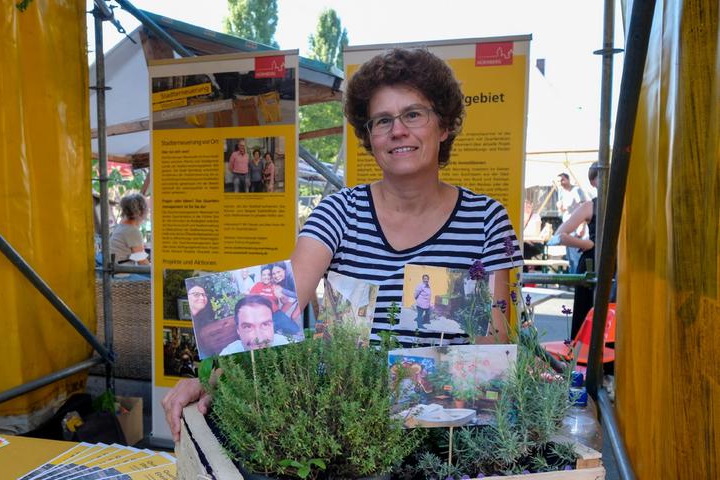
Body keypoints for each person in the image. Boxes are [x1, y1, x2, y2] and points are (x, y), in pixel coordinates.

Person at [162, 48, 522, 440]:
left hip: (447, 434)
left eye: (413, 114)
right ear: (369, 136)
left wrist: (412, 391)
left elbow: (494, 341)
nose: (397, 130)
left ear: (445, 125)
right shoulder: (339, 212)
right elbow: (281, 304)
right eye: (382, 120)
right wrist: (211, 377)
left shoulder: (486, 219)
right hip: (349, 433)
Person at [551, 163, 599, 339]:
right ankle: (582, 363)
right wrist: (588, 244)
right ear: (594, 182)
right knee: (587, 317)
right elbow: (558, 236)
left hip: (622, 264)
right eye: (600, 175)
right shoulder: (590, 206)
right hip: (592, 263)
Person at [219, 295, 290, 355]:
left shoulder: (287, 344)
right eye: (248, 327)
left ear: (272, 326)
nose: (259, 339)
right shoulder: (228, 353)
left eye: (265, 325)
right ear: (238, 330)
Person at [555, 172, 588, 272]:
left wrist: (582, 226)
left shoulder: (577, 190)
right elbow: (564, 209)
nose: (561, 183)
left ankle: (578, 281)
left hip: (576, 227)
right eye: (559, 181)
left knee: (576, 256)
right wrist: (560, 207)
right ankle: (573, 281)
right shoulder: (561, 192)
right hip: (567, 227)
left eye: (562, 180)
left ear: (568, 179)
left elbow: (584, 208)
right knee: (570, 258)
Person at [109, 193, 149, 264]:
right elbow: (142, 262)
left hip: (115, 269)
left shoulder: (121, 226)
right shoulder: (132, 231)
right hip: (123, 273)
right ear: (142, 211)